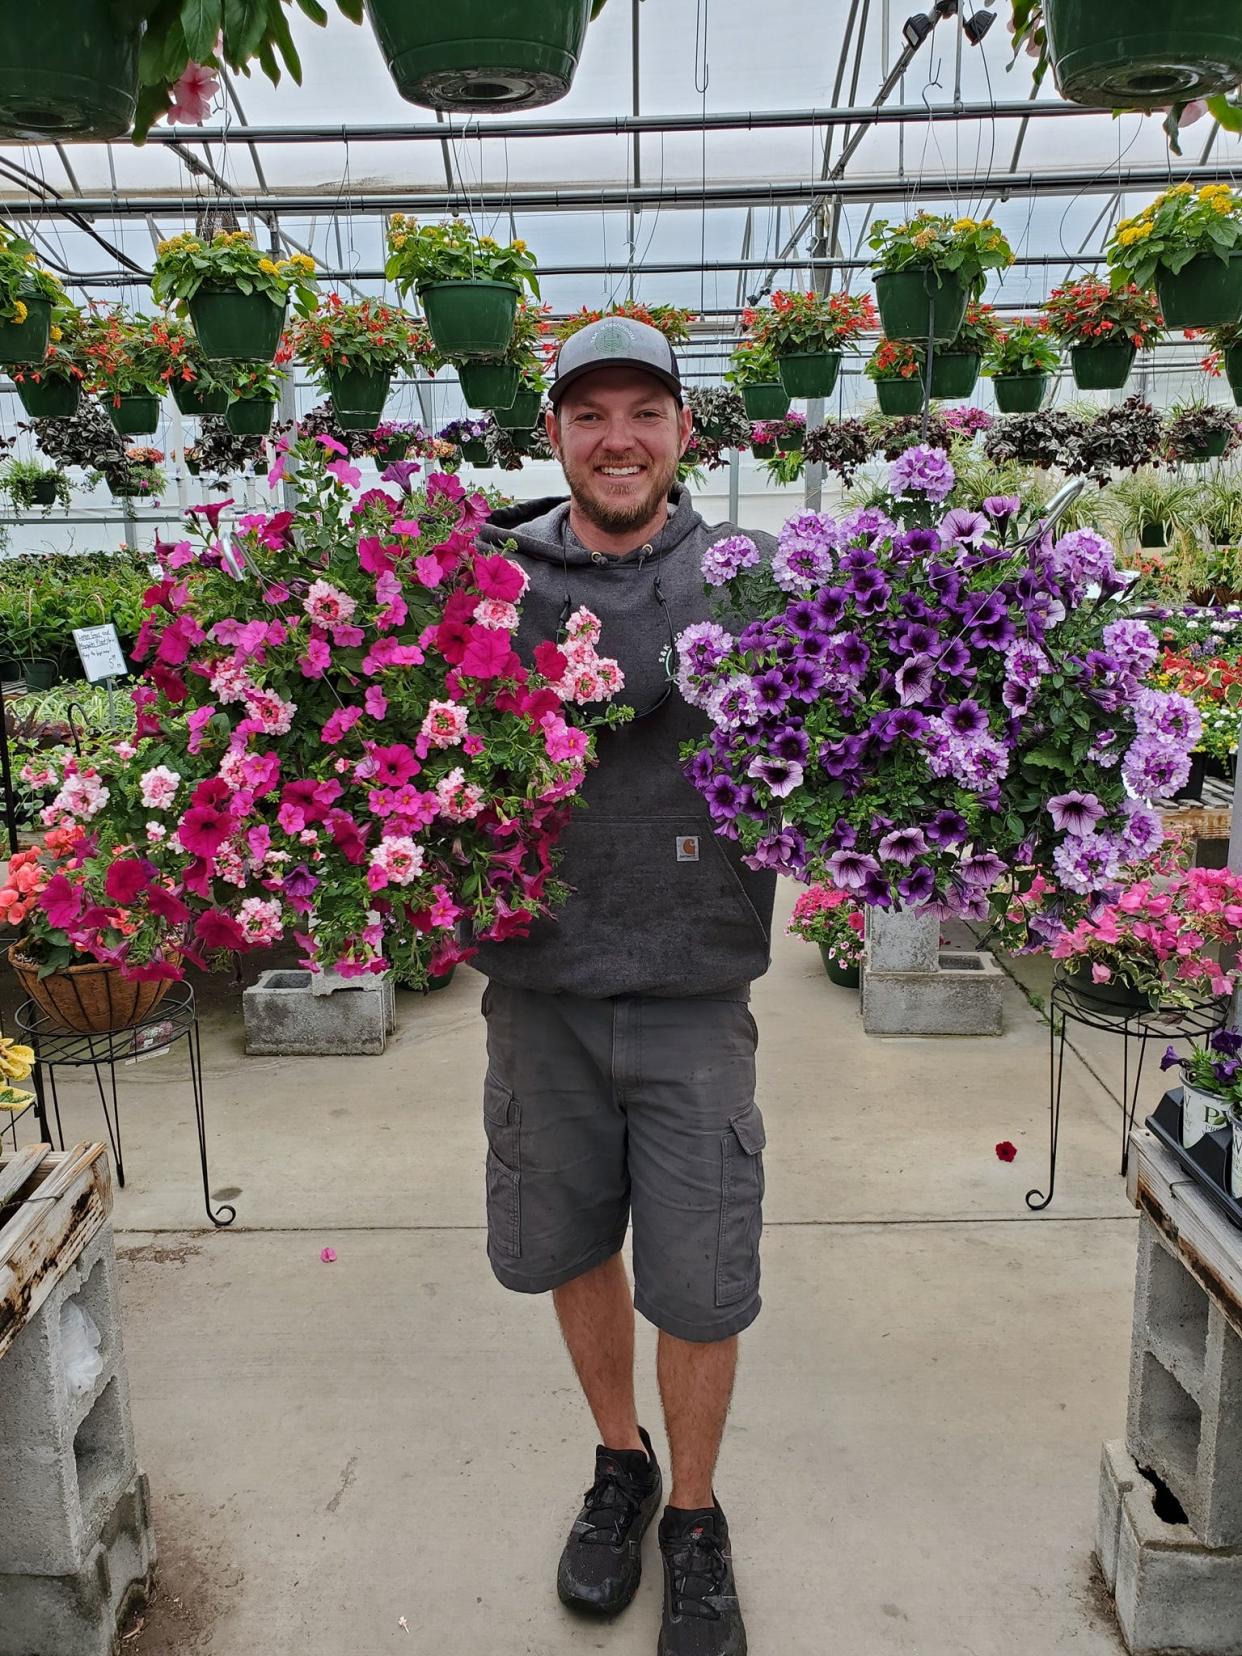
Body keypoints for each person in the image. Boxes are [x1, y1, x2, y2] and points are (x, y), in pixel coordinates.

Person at [472, 316, 777, 1656]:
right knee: (570, 1241)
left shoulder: (749, 580)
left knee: (702, 1279)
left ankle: (693, 1522)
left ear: (682, 432)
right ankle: (620, 1461)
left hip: (694, 983)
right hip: (535, 982)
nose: (616, 439)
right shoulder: (484, 578)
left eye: (641, 413)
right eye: (588, 415)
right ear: (553, 436)